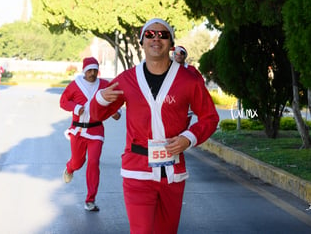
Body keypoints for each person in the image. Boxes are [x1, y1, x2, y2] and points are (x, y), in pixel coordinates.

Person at [90, 18, 219, 233]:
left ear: (171, 43)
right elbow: (97, 115)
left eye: (163, 34)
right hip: (137, 170)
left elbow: (210, 118)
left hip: (172, 170)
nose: (156, 38)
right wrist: (100, 98)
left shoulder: (189, 80)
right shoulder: (127, 79)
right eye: (149, 35)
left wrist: (189, 138)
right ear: (141, 42)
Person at [60, 57, 121, 212]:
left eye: (95, 70)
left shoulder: (104, 85)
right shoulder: (75, 85)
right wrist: (75, 108)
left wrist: (116, 112)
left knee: (93, 162)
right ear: (84, 70)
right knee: (78, 162)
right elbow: (63, 101)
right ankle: (70, 167)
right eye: (89, 70)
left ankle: (90, 200)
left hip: (96, 131)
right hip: (78, 130)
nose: (92, 73)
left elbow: (116, 101)